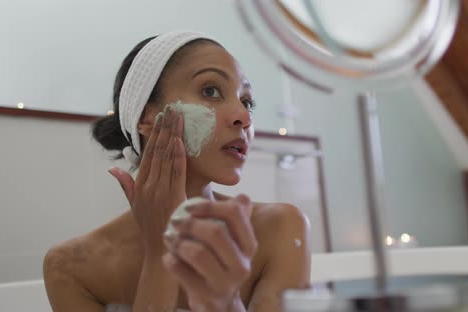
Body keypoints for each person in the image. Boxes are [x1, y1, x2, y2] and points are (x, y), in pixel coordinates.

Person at [42, 31, 311, 312]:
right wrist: (161, 255)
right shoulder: (71, 267)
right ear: (146, 118)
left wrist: (224, 298)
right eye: (210, 91)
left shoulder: (279, 228)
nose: (244, 117)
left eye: (246, 101)